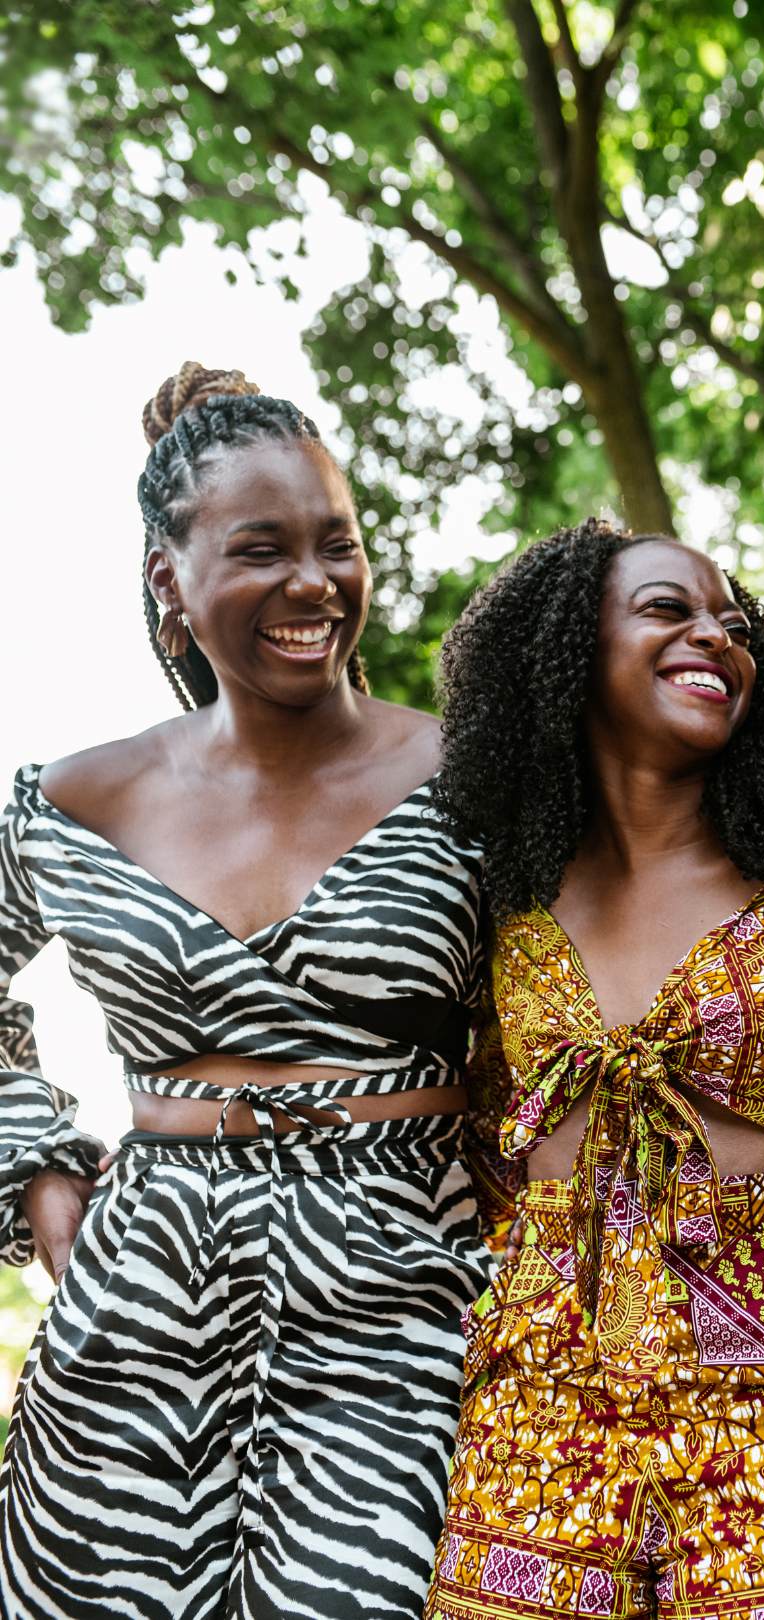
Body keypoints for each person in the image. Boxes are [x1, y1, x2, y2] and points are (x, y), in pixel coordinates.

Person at [0, 363, 492, 1618]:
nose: (313, 584)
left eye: (338, 545)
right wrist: (37, 1168)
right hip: (136, 1312)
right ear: (171, 583)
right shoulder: (71, 801)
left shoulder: (477, 778)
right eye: (262, 549)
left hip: (409, 1291)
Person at [422, 518, 764, 1620]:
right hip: (540, 1418)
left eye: (734, 624)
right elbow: (480, 1132)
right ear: (569, 654)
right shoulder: (499, 902)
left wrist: (755, 1228)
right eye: (669, 609)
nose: (716, 635)